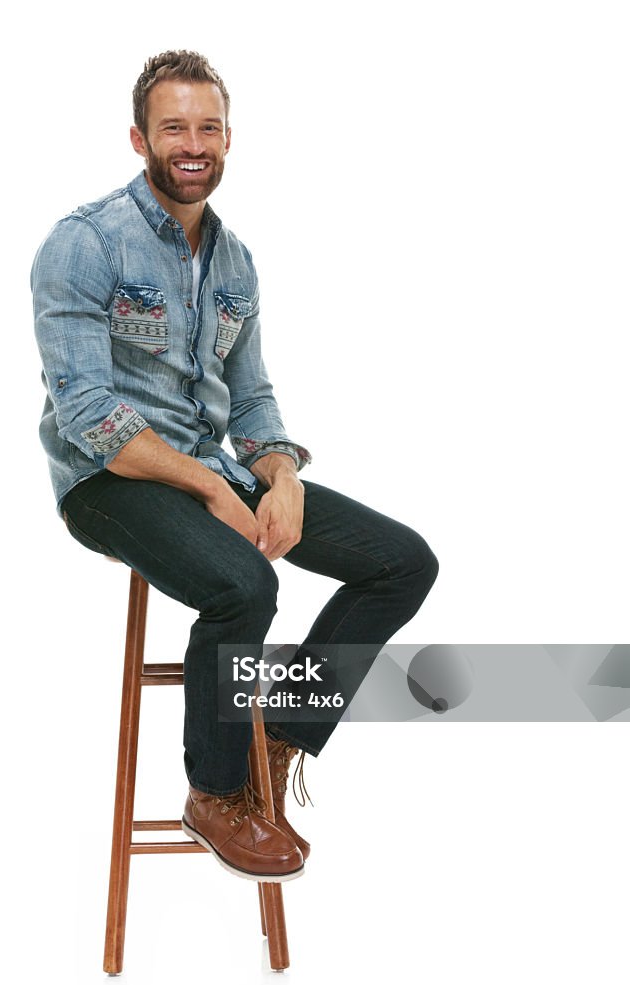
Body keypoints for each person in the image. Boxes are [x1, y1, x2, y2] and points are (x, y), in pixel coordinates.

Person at [31, 50, 439, 884]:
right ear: (139, 137)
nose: (192, 143)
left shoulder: (235, 261)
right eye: (173, 127)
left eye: (207, 127)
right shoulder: (82, 243)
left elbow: (250, 397)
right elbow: (88, 416)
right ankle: (214, 792)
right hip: (107, 480)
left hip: (217, 463)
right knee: (244, 586)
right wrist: (214, 486)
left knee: (402, 561)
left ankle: (278, 737)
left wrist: (279, 475)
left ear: (227, 139)